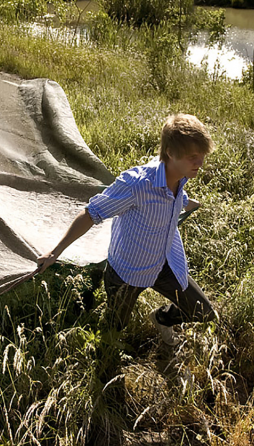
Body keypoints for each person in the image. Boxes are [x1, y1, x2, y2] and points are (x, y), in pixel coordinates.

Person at [37, 113, 217, 347]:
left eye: (202, 155)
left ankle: (161, 319)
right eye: (194, 157)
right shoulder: (137, 184)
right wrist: (54, 252)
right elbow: (91, 213)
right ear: (171, 153)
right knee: (113, 331)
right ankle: (105, 369)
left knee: (203, 312)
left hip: (163, 264)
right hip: (126, 273)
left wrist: (186, 202)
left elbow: (170, 196)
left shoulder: (180, 175)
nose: (200, 163)